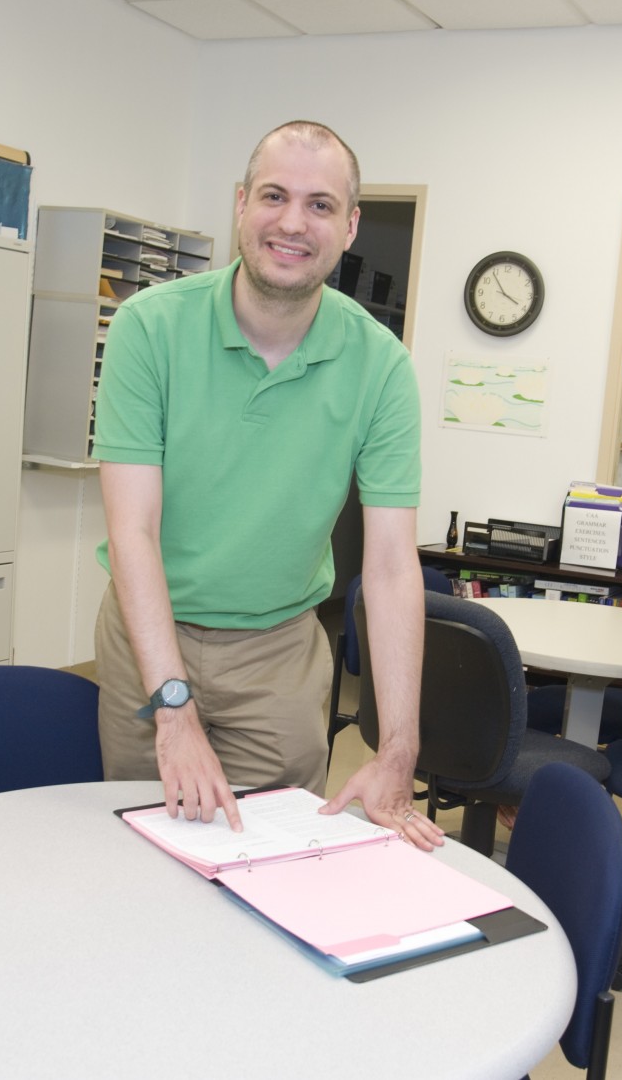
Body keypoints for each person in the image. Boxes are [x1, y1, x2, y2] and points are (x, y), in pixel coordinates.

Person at [91, 120, 443, 851]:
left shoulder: (381, 366)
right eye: (275, 196)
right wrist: (174, 708)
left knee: (277, 858)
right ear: (241, 204)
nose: (292, 222)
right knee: (147, 852)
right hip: (150, 633)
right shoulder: (148, 329)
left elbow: (388, 566)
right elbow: (133, 531)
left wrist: (398, 748)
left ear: (349, 227)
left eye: (319, 205)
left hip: (279, 648)